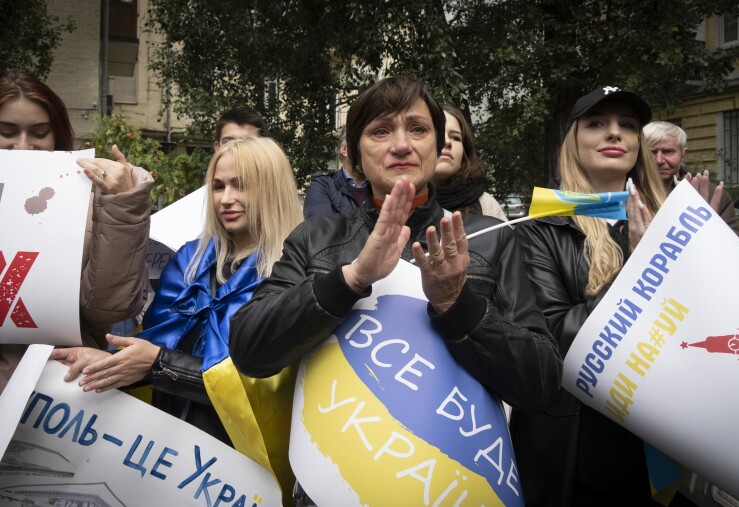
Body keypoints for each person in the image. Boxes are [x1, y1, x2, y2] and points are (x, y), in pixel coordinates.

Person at [230, 76, 561, 415]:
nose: (401, 145)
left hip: (452, 463)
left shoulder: (490, 239)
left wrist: (456, 304)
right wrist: (350, 280)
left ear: (437, 147)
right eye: (381, 131)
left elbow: (542, 383)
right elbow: (250, 353)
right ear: (355, 152)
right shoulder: (315, 238)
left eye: (418, 129)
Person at [0, 71, 152, 494]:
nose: (23, 146)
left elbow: (109, 308)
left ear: (59, 135)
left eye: (39, 132)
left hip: (39, 430)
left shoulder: (91, 203)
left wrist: (121, 208)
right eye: (6, 131)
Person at [50, 136, 302, 442]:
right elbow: (152, 351)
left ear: (273, 190)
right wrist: (106, 362)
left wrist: (159, 364)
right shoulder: (189, 258)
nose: (225, 198)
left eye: (241, 185)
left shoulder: (295, 272)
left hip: (247, 447)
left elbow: (267, 384)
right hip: (169, 441)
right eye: (219, 186)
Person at [513, 86, 665, 506]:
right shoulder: (539, 228)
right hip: (578, 448)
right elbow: (556, 337)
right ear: (573, 141)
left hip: (663, 438)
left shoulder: (673, 221)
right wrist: (644, 264)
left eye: (627, 126)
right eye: (597, 123)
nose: (614, 133)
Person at [644, 121, 739, 238]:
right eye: (652, 152)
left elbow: (734, 248)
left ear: (683, 154)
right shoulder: (626, 193)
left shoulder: (712, 196)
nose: (659, 160)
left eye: (668, 151)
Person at [434, 105, 507, 220]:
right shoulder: (399, 202)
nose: (447, 141)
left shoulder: (486, 204)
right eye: (437, 134)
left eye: (455, 137)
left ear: (464, 154)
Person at [303, 127, 367, 218]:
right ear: (344, 149)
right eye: (361, 143)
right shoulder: (323, 186)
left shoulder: (383, 186)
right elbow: (321, 229)